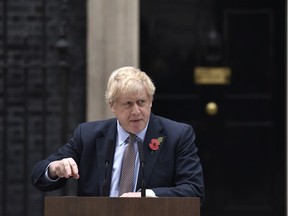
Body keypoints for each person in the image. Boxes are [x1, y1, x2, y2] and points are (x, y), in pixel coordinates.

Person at [31, 66, 204, 201]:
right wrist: (54, 168)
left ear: (150, 101)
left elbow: (194, 189)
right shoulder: (88, 135)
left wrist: (147, 196)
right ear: (112, 106)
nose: (136, 111)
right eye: (128, 104)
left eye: (141, 102)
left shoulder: (177, 135)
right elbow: (39, 176)